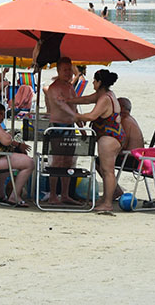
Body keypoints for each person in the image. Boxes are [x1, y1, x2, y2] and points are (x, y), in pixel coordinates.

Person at [75, 69, 124, 212]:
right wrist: (68, 100)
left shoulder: (104, 99)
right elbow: (85, 99)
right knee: (103, 168)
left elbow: (91, 116)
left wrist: (75, 116)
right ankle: (108, 197)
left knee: (108, 171)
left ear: (100, 82)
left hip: (109, 138)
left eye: (94, 80)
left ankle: (107, 204)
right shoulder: (105, 94)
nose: (92, 83)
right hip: (112, 136)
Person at [44, 57, 80, 205]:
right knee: (57, 161)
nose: (68, 73)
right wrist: (77, 117)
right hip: (58, 126)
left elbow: (74, 107)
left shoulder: (70, 87)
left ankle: (65, 194)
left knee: (69, 161)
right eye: (65, 70)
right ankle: (53, 195)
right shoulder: (54, 88)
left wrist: (81, 125)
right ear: (58, 70)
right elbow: (62, 106)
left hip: (70, 126)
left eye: (70, 70)